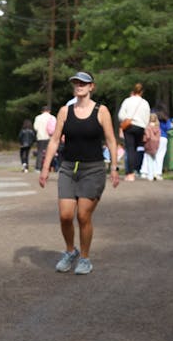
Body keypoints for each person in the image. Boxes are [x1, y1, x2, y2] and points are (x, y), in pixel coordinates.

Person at [38, 71, 120, 275]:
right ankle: (69, 251)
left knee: (83, 216)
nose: (79, 85)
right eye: (76, 82)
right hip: (68, 168)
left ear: (91, 86)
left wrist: (114, 167)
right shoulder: (65, 111)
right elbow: (55, 140)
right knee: (65, 216)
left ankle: (85, 258)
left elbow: (111, 140)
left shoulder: (101, 111)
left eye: (83, 83)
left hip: (93, 169)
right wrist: (46, 167)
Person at [116, 83, 151, 181]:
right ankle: (134, 170)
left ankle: (130, 173)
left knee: (130, 149)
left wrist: (127, 119)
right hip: (140, 127)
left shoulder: (127, 101)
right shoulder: (145, 103)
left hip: (130, 126)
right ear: (142, 92)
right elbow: (147, 117)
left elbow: (121, 115)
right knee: (135, 149)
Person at [33, 105, 55, 171]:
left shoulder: (38, 117)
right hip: (50, 137)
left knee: (40, 152)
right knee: (50, 153)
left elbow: (35, 127)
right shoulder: (52, 117)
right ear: (49, 111)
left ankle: (38, 168)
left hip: (41, 137)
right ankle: (50, 167)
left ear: (41, 111)